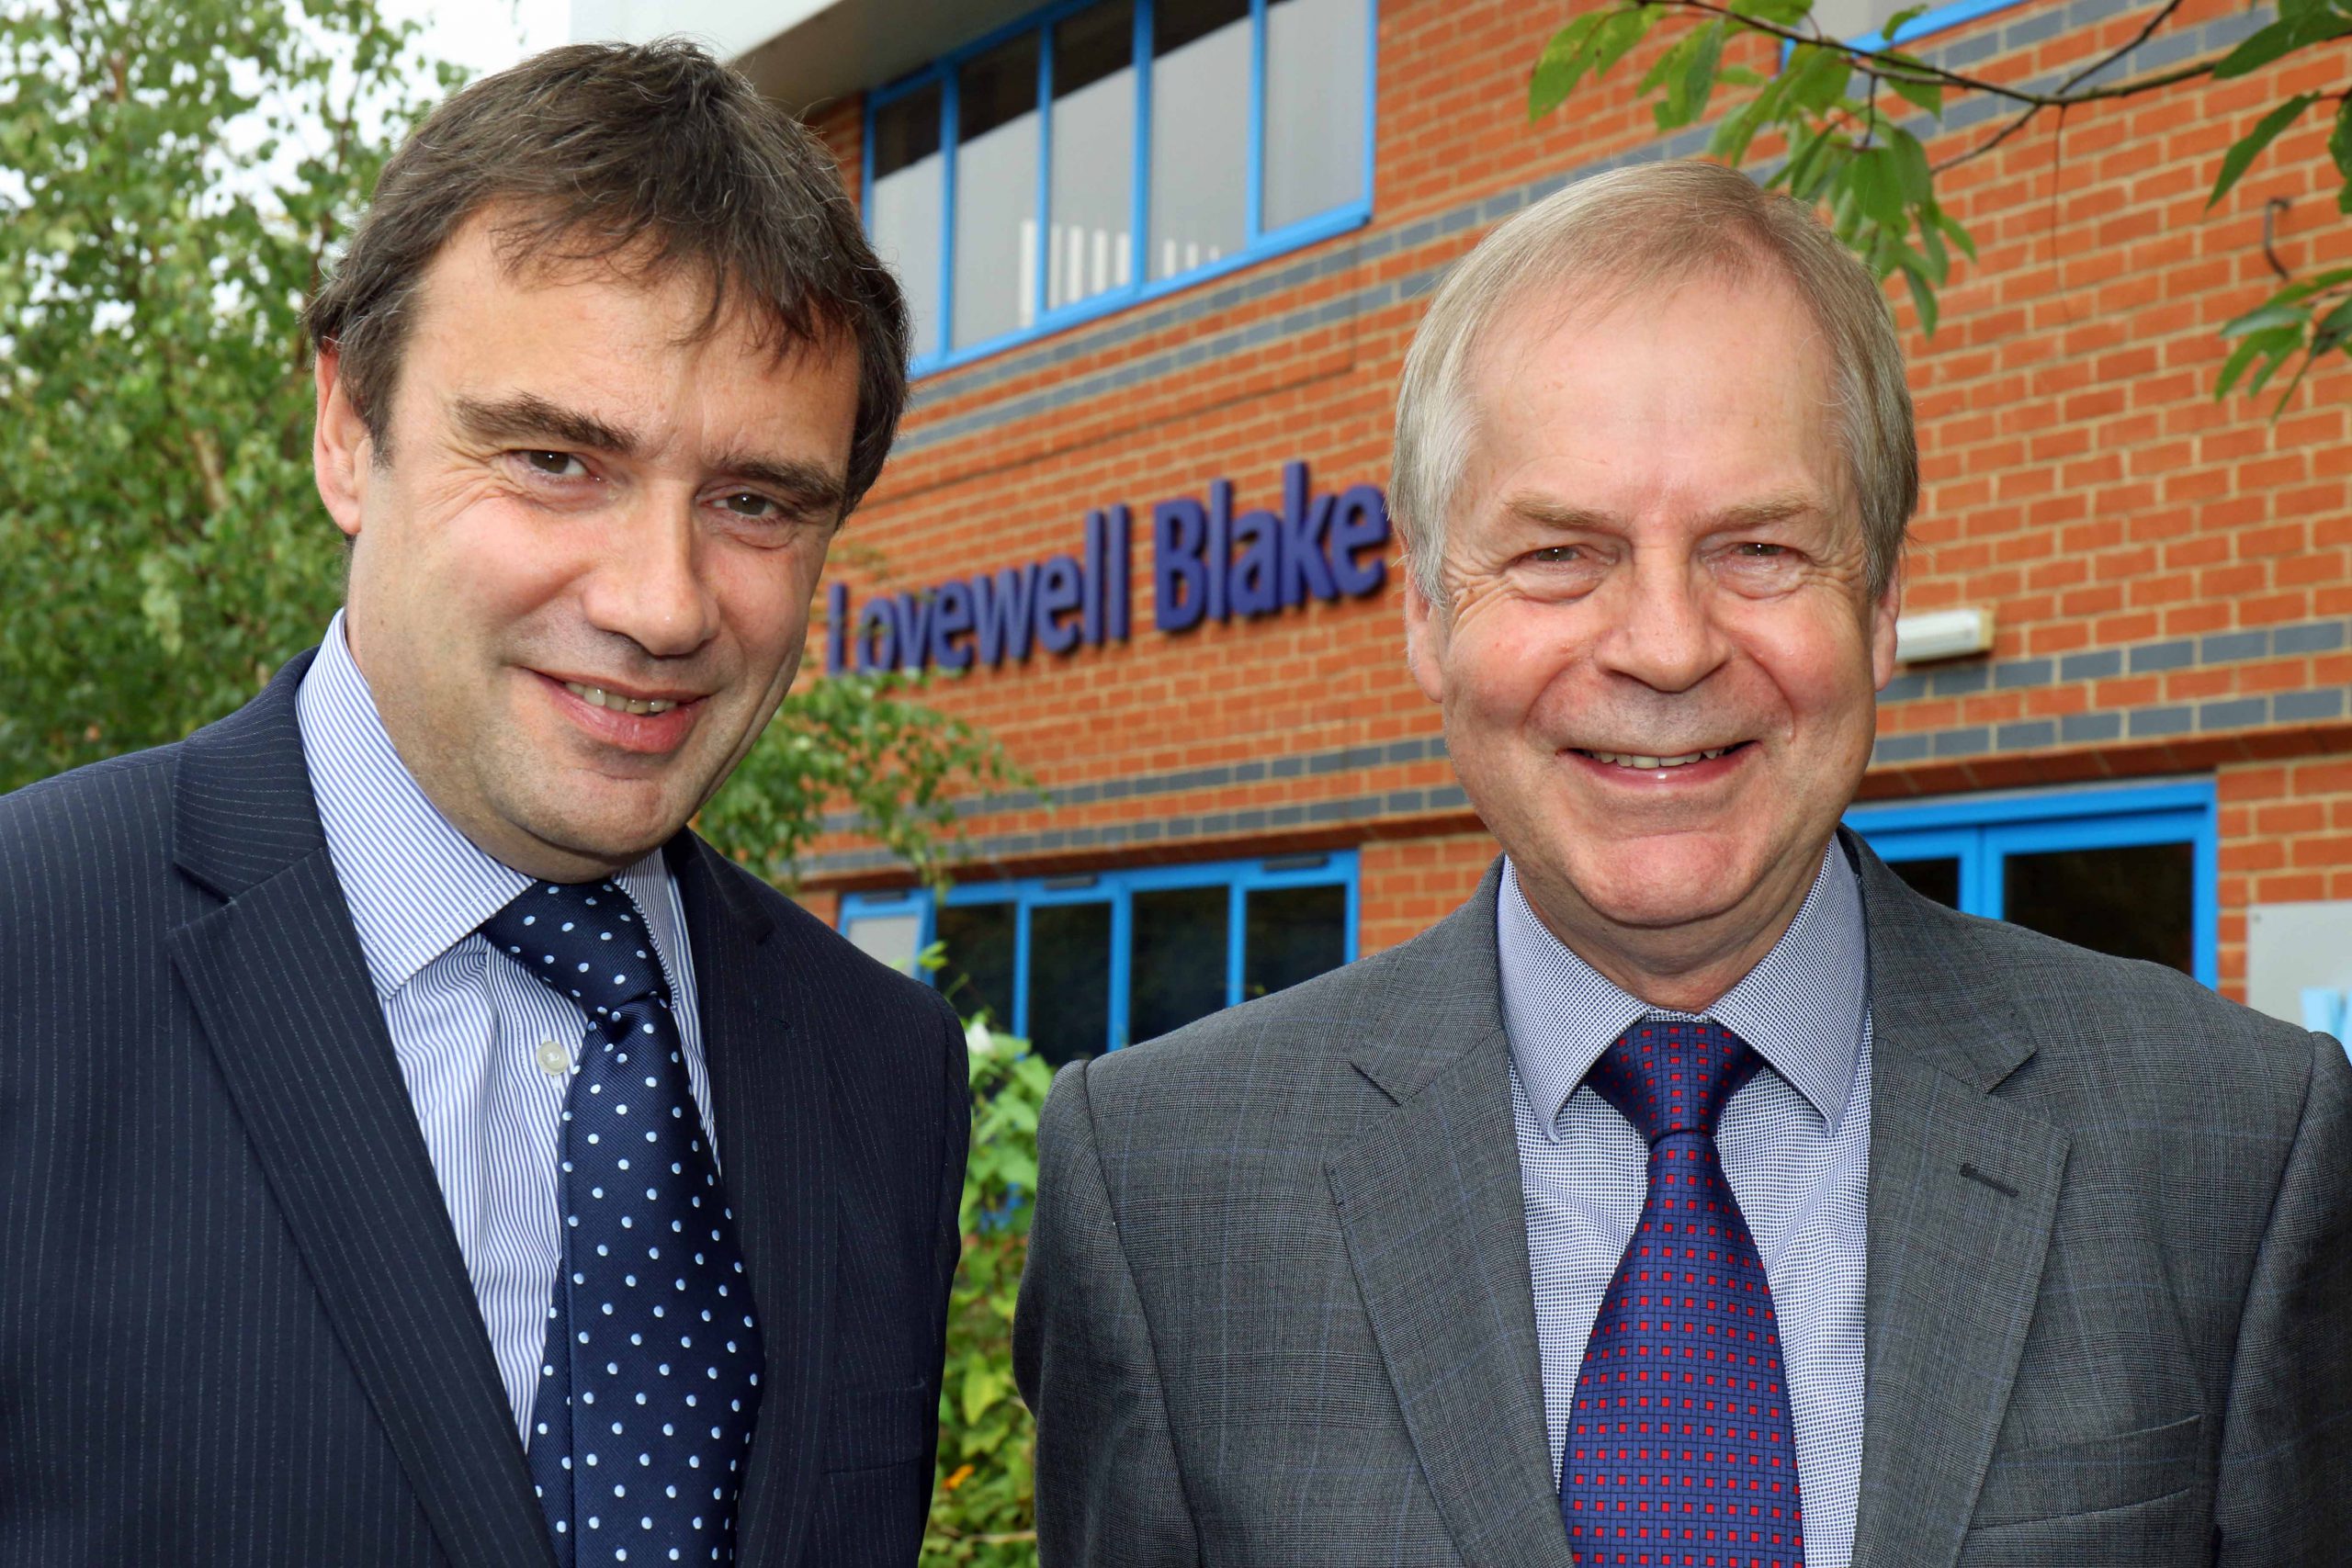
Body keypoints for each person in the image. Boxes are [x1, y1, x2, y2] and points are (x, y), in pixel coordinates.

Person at [1014, 159, 2351, 1566]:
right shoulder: (1161, 1187)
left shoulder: (2238, 1148)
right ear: (1422, 613)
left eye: (1761, 547)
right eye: (1557, 554)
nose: (1665, 644)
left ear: (1883, 605)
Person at [0, 42, 966, 1568]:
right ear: (345, 428)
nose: (662, 603)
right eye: (553, 460)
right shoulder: (27, 955)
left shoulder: (884, 1072)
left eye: (757, 502)